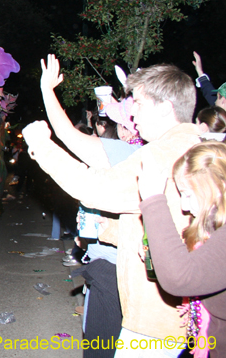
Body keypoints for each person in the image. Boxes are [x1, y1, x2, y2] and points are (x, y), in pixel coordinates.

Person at [24, 63, 200, 355]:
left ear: (165, 108)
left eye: (140, 104)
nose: (132, 114)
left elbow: (94, 189)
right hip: (180, 313)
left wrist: (41, 145)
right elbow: (165, 222)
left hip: (155, 316)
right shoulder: (194, 145)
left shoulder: (160, 154)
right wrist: (111, 230)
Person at [138, 141, 226, 358]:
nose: (184, 207)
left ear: (217, 189)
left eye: (187, 194)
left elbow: (181, 278)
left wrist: (153, 200)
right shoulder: (212, 230)